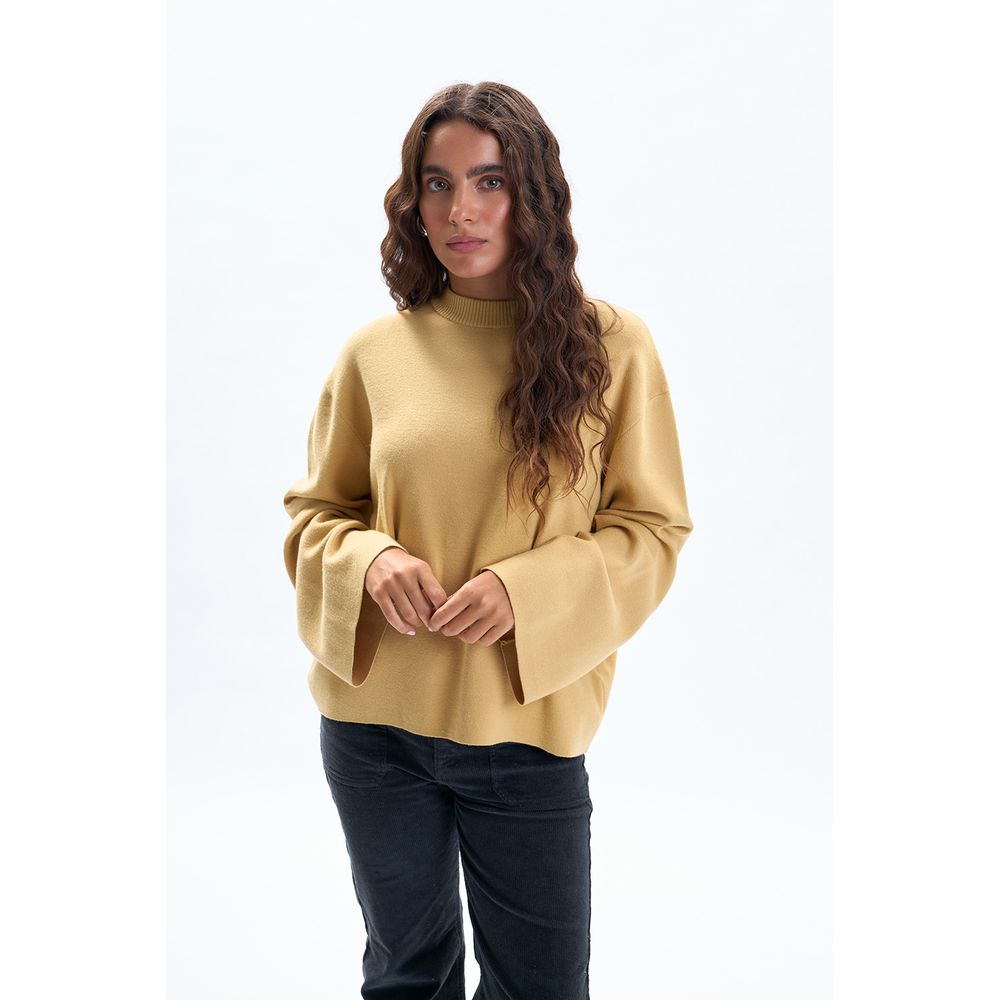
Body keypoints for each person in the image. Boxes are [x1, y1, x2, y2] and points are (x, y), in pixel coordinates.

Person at [282, 80, 694, 1000]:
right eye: (437, 183)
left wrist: (526, 591)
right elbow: (316, 514)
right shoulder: (374, 354)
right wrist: (369, 559)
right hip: (373, 732)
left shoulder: (612, 347)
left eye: (489, 181)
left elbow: (653, 528)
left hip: (525, 733)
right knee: (404, 979)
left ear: (534, 193)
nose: (459, 210)